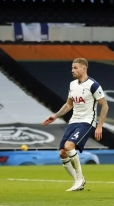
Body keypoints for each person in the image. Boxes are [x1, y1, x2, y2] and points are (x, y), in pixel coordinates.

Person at [42, 58, 109, 191]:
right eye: (72, 68)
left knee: (68, 146)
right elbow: (68, 104)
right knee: (62, 153)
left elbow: (105, 105)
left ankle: (79, 179)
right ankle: (78, 181)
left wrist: (100, 125)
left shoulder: (93, 85)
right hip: (73, 121)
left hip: (87, 121)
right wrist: (55, 115)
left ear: (84, 69)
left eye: (75, 68)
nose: (72, 70)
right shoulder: (72, 85)